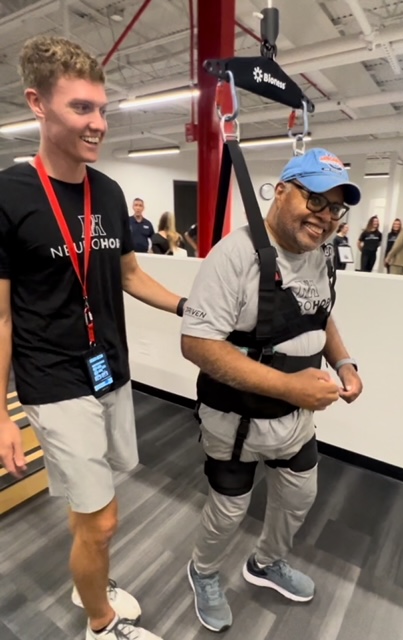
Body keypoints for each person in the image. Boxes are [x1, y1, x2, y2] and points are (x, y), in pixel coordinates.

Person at [0, 36, 187, 640]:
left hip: (108, 366)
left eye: (103, 109)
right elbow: (0, 318)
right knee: (103, 520)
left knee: (93, 508)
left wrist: (189, 307)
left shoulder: (106, 191)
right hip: (52, 377)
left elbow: (129, 274)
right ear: (37, 103)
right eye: (81, 107)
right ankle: (101, 625)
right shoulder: (8, 195)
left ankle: (91, 575)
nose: (98, 123)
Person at [181, 147, 364, 632]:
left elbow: (319, 316)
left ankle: (265, 563)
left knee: (299, 496)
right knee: (229, 509)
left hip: (296, 422)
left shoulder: (321, 256)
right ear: (281, 191)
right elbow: (197, 344)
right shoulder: (234, 256)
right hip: (236, 420)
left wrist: (343, 362)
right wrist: (288, 386)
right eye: (315, 200)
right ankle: (203, 571)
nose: (325, 217)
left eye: (335, 208)